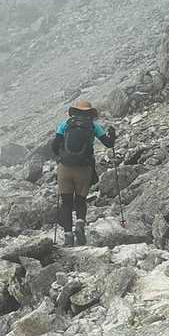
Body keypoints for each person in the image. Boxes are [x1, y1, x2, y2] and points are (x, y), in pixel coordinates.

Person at [51, 98, 115, 246]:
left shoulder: (65, 124)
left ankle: (68, 236)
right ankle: (80, 224)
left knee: (66, 203)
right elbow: (109, 144)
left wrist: (61, 157)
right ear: (90, 113)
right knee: (80, 201)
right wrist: (112, 134)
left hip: (65, 168)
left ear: (74, 111)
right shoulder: (93, 126)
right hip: (84, 168)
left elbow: (54, 146)